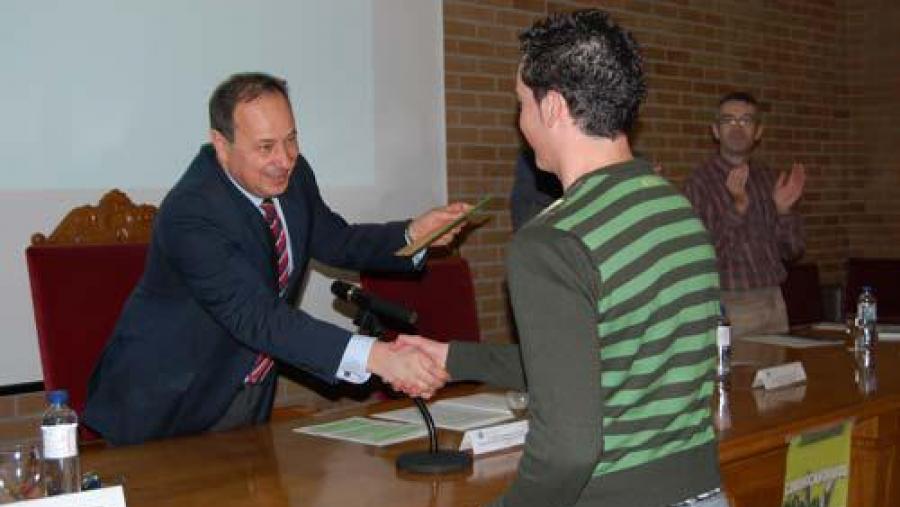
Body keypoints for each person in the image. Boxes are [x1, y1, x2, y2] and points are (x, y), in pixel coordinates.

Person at [399, 10, 726, 507]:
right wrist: (455, 358)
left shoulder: (553, 241)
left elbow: (569, 449)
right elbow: (599, 360)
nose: (521, 121)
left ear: (552, 106)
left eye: (521, 104)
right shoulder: (677, 211)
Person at [83, 73, 468, 446]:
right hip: (165, 405)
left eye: (291, 139)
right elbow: (256, 315)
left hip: (244, 393)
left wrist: (412, 235)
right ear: (221, 144)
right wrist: (377, 357)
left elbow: (336, 239)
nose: (284, 159)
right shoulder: (191, 212)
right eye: (265, 147)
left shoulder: (292, 176)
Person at [683, 92, 805, 358]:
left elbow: (793, 251)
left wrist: (784, 212)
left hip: (774, 300)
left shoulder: (767, 178)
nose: (737, 127)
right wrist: (736, 209)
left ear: (758, 131)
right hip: (731, 304)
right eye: (729, 120)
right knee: (742, 393)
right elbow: (703, 257)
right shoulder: (700, 183)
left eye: (746, 120)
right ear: (715, 130)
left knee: (781, 394)